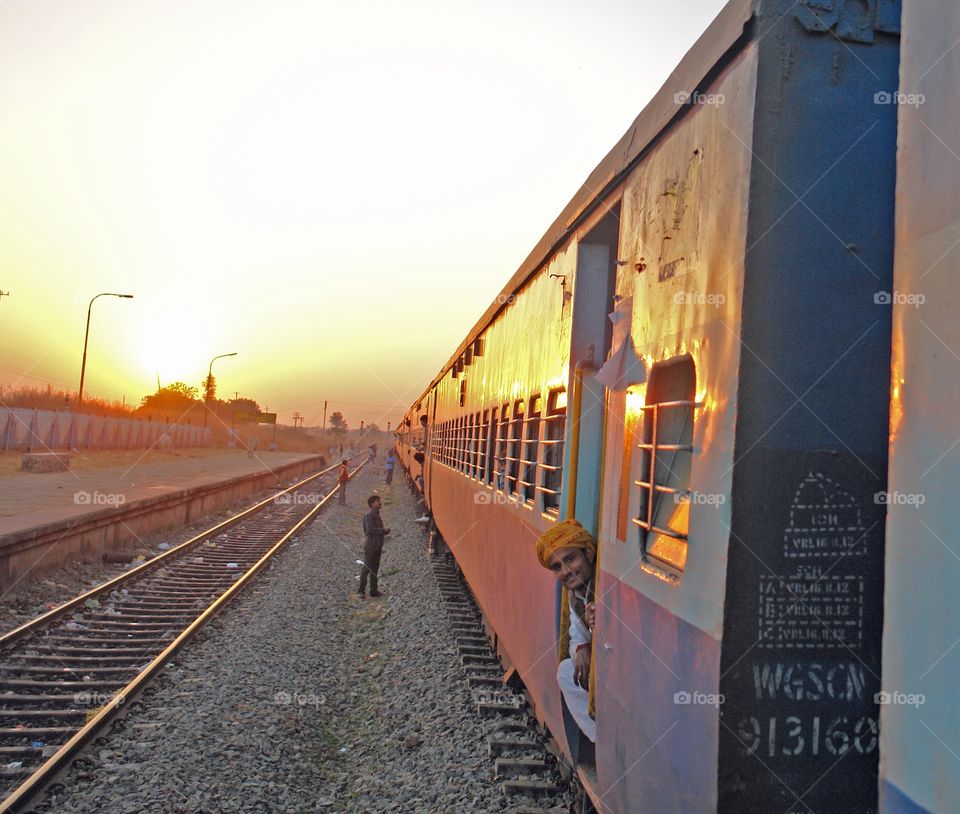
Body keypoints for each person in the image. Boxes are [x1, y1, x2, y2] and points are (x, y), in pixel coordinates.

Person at [536, 519, 597, 743]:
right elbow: (576, 636)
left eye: (571, 559)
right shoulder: (576, 595)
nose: (566, 571)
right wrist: (582, 647)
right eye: (557, 567)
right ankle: (601, 741)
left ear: (588, 554)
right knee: (566, 671)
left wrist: (604, 627)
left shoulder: (606, 584)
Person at [358, 494, 390, 598]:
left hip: (377, 545)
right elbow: (369, 530)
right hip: (371, 545)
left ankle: (373, 591)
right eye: (377, 501)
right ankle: (361, 591)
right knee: (367, 568)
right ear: (372, 504)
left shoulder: (377, 515)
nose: (379, 502)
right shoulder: (369, 515)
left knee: (375, 569)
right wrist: (382, 530)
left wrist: (384, 532)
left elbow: (375, 530)